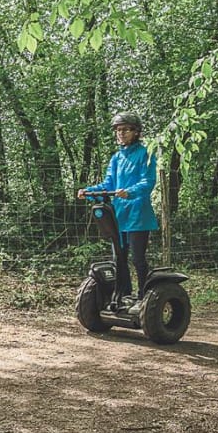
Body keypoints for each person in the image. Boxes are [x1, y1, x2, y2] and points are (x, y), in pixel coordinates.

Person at [77, 111, 158, 301]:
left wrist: (129, 191)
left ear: (136, 132)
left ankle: (144, 296)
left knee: (137, 258)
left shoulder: (145, 154)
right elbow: (108, 184)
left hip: (138, 214)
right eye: (118, 130)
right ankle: (124, 294)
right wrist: (88, 191)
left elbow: (148, 181)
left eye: (125, 129)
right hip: (119, 215)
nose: (121, 133)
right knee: (118, 258)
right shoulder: (116, 158)